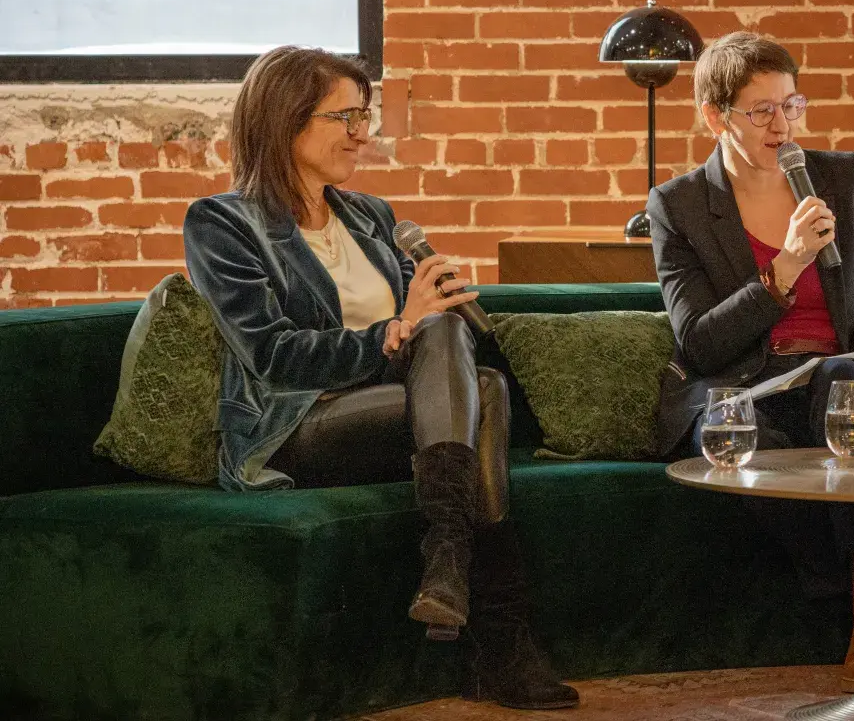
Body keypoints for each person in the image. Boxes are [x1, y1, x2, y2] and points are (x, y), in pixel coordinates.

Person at [182, 46, 577, 711]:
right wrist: (396, 329)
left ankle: (449, 563)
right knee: (462, 371)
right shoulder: (223, 223)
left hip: (396, 409)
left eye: (364, 117)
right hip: (297, 423)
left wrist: (430, 309)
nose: (363, 134)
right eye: (345, 117)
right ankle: (497, 637)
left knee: (459, 344)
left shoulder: (373, 218)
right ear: (284, 121)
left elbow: (425, 341)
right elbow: (271, 355)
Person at [646, 31, 854, 692]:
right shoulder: (678, 206)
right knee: (731, 436)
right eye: (762, 111)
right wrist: (784, 267)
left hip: (843, 379)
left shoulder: (843, 179)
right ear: (713, 115)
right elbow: (700, 342)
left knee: (842, 379)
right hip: (743, 387)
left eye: (792, 105)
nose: (782, 126)